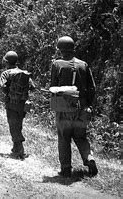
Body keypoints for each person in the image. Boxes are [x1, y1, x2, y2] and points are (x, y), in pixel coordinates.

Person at [50, 36, 97, 177]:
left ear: (60, 49)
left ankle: (65, 169)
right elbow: (92, 88)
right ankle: (89, 159)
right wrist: (88, 105)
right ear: (73, 47)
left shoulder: (57, 64)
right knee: (81, 137)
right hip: (81, 108)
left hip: (64, 108)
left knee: (64, 138)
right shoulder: (83, 65)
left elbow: (53, 86)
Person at [0, 51, 35, 158]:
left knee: (13, 125)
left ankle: (19, 148)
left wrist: (9, 93)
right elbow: (32, 87)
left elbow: (2, 86)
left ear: (6, 61)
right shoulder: (24, 72)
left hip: (11, 103)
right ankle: (16, 147)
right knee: (18, 124)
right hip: (23, 104)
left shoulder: (6, 73)